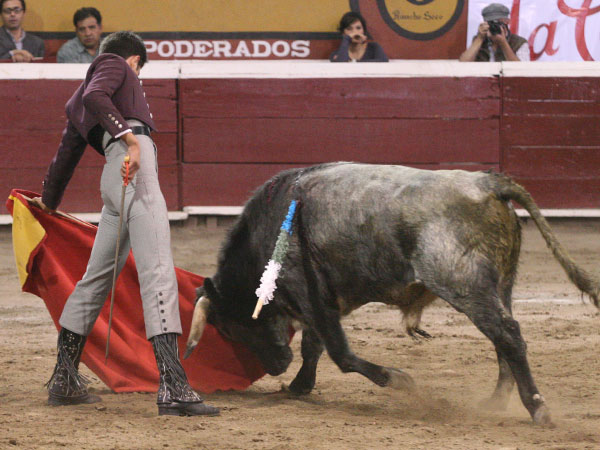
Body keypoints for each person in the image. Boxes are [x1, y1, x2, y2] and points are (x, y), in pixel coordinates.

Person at [33, 31, 219, 417]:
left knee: (95, 279)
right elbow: (96, 95)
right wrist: (131, 140)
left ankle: (64, 378)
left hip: (113, 183)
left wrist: (49, 201)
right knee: (158, 273)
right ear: (135, 60)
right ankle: (173, 386)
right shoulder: (115, 64)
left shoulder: (76, 102)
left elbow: (65, 155)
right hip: (135, 172)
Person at [459, 3, 529, 62]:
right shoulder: (479, 40)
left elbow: (521, 70)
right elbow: (463, 63)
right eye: (490, 23)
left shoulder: (519, 42)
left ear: (507, 22)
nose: (494, 26)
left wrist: (503, 43)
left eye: (498, 22)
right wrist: (479, 39)